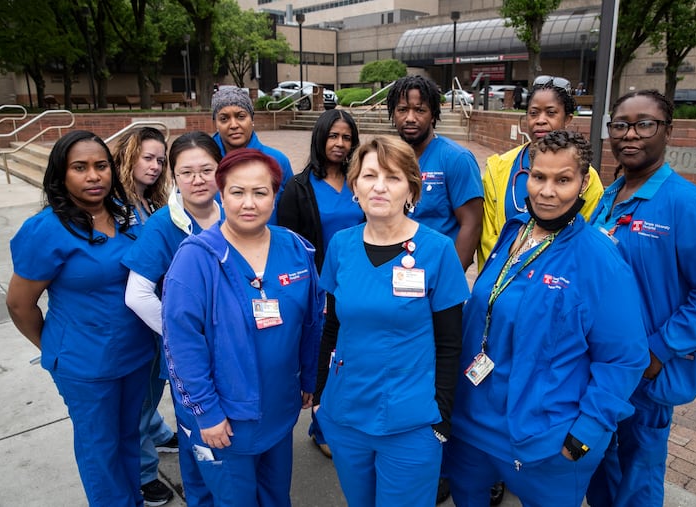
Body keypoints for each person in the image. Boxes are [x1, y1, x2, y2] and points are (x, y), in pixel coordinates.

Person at [445, 130, 649, 507]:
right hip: (472, 421)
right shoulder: (513, 233)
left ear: (584, 183)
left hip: (546, 436)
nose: (547, 191)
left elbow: (624, 356)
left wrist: (585, 432)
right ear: (526, 177)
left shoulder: (599, 259)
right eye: (539, 177)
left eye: (563, 179)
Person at [586, 90, 696, 507]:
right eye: (620, 125)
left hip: (647, 369)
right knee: (601, 464)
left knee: (637, 472)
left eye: (644, 124)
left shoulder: (687, 204)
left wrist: (658, 352)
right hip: (603, 364)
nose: (630, 135)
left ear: (667, 131)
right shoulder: (606, 197)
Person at [162, 148, 325, 506]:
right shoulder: (196, 259)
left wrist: (309, 379)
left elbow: (313, 321)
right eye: (237, 192)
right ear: (222, 194)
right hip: (224, 420)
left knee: (275, 495)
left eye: (260, 192)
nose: (248, 203)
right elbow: (181, 345)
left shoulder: (296, 249)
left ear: (275, 195)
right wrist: (206, 412)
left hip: (279, 407)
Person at [313, 135, 470, 506]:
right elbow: (332, 327)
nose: (379, 187)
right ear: (355, 186)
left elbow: (450, 342)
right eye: (369, 176)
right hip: (346, 414)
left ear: (412, 190)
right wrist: (321, 396)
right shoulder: (341, 245)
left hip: (412, 421)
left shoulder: (438, 250)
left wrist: (441, 419)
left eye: (393, 177)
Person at [6, 130, 154, 507]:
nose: (93, 176)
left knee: (128, 439)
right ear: (61, 175)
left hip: (135, 354)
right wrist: (56, 348)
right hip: (85, 364)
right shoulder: (45, 229)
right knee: (100, 449)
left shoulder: (128, 214)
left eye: (101, 166)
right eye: (80, 168)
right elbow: (20, 304)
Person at [123, 131, 224, 507]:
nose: (198, 179)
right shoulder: (164, 225)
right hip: (191, 359)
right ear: (174, 177)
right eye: (186, 172)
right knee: (200, 441)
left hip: (238, 352)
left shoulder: (234, 210)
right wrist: (181, 337)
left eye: (207, 169)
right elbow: (136, 295)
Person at [277, 108, 363, 458]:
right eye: (333, 136)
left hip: (359, 284)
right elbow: (289, 245)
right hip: (321, 291)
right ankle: (320, 427)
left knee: (354, 356)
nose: (340, 144)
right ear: (320, 138)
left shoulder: (361, 180)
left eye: (346, 137)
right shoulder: (298, 187)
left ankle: (347, 419)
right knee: (324, 357)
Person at [478, 75, 604, 269]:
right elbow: (488, 237)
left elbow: (585, 239)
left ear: (568, 118)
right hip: (501, 278)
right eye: (534, 113)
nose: (540, 121)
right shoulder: (498, 168)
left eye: (551, 113)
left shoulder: (588, 179)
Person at [113, 126, 176, 506]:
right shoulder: (111, 204)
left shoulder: (151, 203)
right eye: (147, 157)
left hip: (153, 309)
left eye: (160, 160)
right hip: (130, 314)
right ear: (128, 155)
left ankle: (156, 429)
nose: (155, 166)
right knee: (138, 396)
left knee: (154, 384)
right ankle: (144, 474)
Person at [387, 74, 483, 271]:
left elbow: (472, 225)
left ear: (433, 114)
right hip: (393, 272)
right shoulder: (387, 159)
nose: (410, 118)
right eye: (402, 110)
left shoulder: (456, 158)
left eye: (420, 110)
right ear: (393, 113)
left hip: (436, 274)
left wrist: (449, 280)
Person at [211, 85, 293, 224]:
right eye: (224, 119)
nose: (233, 125)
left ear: (252, 119)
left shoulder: (278, 160)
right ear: (215, 124)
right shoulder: (204, 164)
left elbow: (291, 212)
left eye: (241, 116)